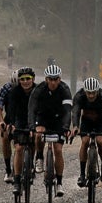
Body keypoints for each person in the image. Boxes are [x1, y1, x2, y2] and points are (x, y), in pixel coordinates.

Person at [30, 63, 74, 193]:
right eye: (50, 79)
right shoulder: (39, 90)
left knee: (58, 150)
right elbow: (31, 109)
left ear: (60, 79)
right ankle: (39, 157)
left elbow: (67, 112)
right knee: (39, 135)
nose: (53, 82)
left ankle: (59, 182)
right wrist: (32, 126)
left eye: (56, 79)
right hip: (42, 117)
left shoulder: (65, 90)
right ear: (46, 79)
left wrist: (66, 127)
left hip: (59, 120)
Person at [0, 67, 38, 185]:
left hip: (31, 118)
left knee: (35, 137)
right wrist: (6, 123)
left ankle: (32, 164)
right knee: (7, 138)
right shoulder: (9, 90)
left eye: (27, 79)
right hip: (13, 117)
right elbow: (0, 107)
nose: (24, 83)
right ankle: (9, 170)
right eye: (21, 80)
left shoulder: (37, 90)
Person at [72, 74, 102, 186]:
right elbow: (75, 112)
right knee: (85, 142)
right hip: (86, 122)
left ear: (97, 91)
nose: (90, 95)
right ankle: (82, 174)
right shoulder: (79, 96)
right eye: (88, 93)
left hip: (101, 122)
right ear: (84, 91)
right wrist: (75, 126)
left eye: (93, 93)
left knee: (100, 141)